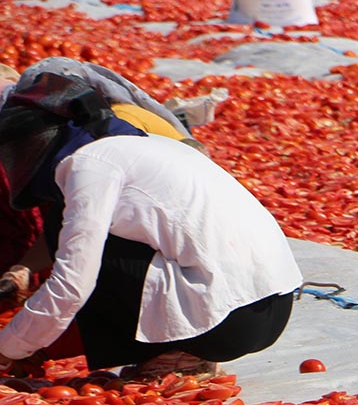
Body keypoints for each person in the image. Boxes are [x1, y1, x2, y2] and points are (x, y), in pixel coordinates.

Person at [0, 72, 301, 378]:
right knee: (87, 235)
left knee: (70, 235)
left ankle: (177, 355)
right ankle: (183, 350)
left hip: (227, 323)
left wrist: (7, 347)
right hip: (272, 307)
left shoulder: (90, 163)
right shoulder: (147, 145)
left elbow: (73, 283)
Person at [0, 59, 201, 295]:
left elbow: (80, 238)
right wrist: (23, 269)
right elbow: (66, 219)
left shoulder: (106, 138)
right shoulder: (91, 130)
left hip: (183, 255)